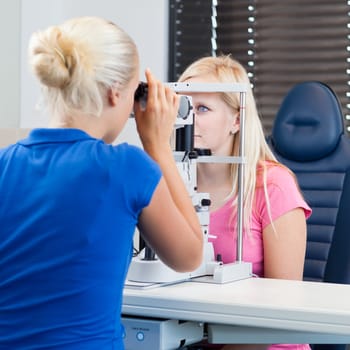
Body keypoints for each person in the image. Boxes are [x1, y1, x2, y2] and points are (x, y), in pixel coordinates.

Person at [0, 16, 203, 350]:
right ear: (114, 94)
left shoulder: (5, 163)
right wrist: (159, 146)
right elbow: (189, 256)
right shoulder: (126, 167)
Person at [178, 55, 312, 350]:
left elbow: (280, 309)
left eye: (202, 108)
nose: (188, 118)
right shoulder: (175, 185)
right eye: (184, 106)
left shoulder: (273, 187)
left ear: (236, 120)